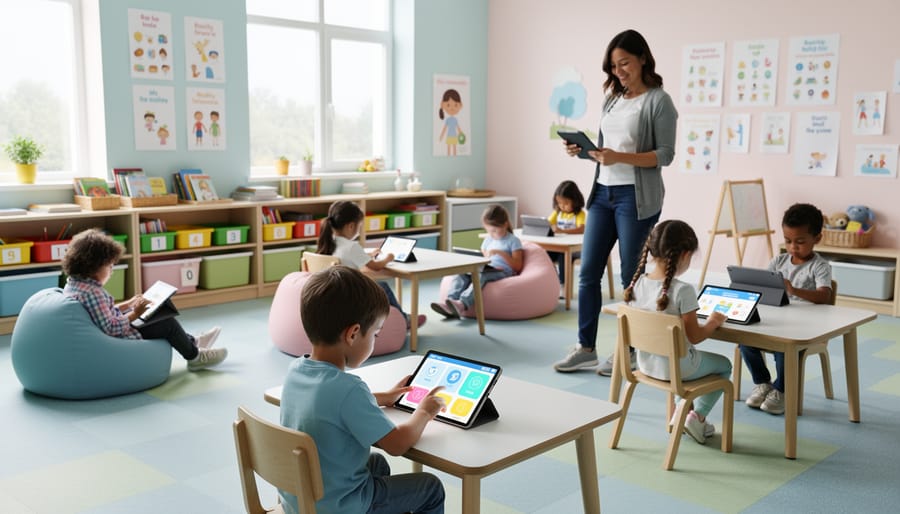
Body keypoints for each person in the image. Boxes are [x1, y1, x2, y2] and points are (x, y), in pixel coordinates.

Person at [553, 29, 678, 375]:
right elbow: (606, 153)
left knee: (629, 276)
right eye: (613, 65)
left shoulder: (659, 101)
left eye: (624, 63)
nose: (618, 71)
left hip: (635, 198)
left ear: (642, 59)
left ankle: (632, 351)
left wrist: (619, 157)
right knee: (588, 273)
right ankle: (586, 347)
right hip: (602, 194)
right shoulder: (612, 99)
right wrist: (584, 151)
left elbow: (665, 155)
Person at [279, 266, 446, 514]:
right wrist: (424, 412)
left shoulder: (296, 370)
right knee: (430, 488)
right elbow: (397, 444)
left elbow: (328, 405)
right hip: (337, 507)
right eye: (376, 334)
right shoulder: (350, 389)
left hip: (303, 499)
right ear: (353, 334)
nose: (375, 340)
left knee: (375, 464)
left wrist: (383, 398)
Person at [624, 220, 732, 444]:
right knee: (725, 366)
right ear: (684, 254)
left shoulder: (637, 285)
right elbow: (695, 337)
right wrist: (713, 322)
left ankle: (680, 414)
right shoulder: (683, 290)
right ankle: (696, 417)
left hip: (646, 365)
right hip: (678, 370)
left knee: (675, 356)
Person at [61, 229, 226, 371]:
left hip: (107, 331)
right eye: (109, 266)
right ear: (93, 266)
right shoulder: (93, 293)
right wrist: (135, 313)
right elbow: (111, 327)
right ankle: (195, 357)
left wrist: (128, 304)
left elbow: (104, 312)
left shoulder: (75, 283)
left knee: (153, 312)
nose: (112, 271)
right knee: (167, 323)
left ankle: (193, 341)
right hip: (117, 337)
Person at [741, 203, 832, 415]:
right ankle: (763, 383)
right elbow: (765, 289)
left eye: (800, 242)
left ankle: (782, 389)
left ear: (817, 238)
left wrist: (794, 290)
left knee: (785, 348)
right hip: (777, 322)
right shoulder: (778, 262)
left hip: (805, 327)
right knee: (745, 341)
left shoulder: (819, 266)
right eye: (788, 241)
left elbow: (824, 296)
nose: (793, 247)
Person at [317, 200, 426, 328]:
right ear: (351, 226)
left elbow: (348, 257)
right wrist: (388, 258)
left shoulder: (329, 243)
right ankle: (404, 320)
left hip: (333, 294)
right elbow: (376, 267)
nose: (359, 230)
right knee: (383, 286)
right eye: (359, 226)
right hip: (351, 296)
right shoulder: (352, 246)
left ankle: (400, 318)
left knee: (374, 283)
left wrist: (367, 255)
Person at [431, 204, 523, 319]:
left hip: (503, 271)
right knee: (462, 273)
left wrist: (501, 253)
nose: (492, 234)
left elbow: (517, 266)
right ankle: (449, 303)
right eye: (489, 231)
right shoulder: (488, 240)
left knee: (480, 275)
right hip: (488, 268)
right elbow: (483, 256)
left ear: (505, 224)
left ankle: (462, 304)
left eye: (494, 231)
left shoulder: (513, 241)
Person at [547, 180, 586, 286]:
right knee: (544, 253)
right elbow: (547, 223)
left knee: (563, 255)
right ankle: (552, 278)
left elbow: (581, 229)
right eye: (559, 203)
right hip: (559, 246)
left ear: (575, 201)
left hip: (574, 249)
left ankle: (563, 283)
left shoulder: (579, 214)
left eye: (566, 203)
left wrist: (562, 231)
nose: (562, 206)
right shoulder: (557, 212)